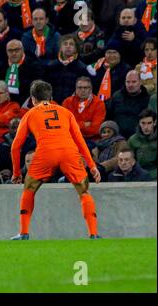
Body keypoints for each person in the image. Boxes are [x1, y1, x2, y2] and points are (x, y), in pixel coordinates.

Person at [10, 80, 102, 240]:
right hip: (69, 152)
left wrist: (17, 173)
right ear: (50, 97)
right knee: (83, 191)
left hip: (46, 152)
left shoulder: (30, 114)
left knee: (29, 188)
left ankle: (24, 232)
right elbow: (80, 140)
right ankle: (93, 234)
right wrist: (92, 166)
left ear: (33, 99)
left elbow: (15, 147)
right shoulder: (66, 112)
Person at [106, 70, 151, 139]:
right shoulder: (117, 96)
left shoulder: (148, 99)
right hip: (116, 138)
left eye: (134, 82)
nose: (130, 85)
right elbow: (108, 115)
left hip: (138, 138)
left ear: (140, 82)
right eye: (128, 82)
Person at [62, 76, 106, 142]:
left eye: (86, 88)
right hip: (71, 138)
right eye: (80, 87)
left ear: (91, 89)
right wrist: (84, 124)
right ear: (75, 89)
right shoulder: (67, 102)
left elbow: (96, 129)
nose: (83, 90)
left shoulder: (99, 104)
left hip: (91, 140)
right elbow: (64, 125)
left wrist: (74, 125)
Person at [127, 109, 157, 179]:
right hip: (138, 175)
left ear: (155, 123)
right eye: (143, 123)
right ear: (139, 123)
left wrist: (149, 176)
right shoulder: (133, 140)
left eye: (149, 123)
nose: (146, 127)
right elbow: (128, 161)